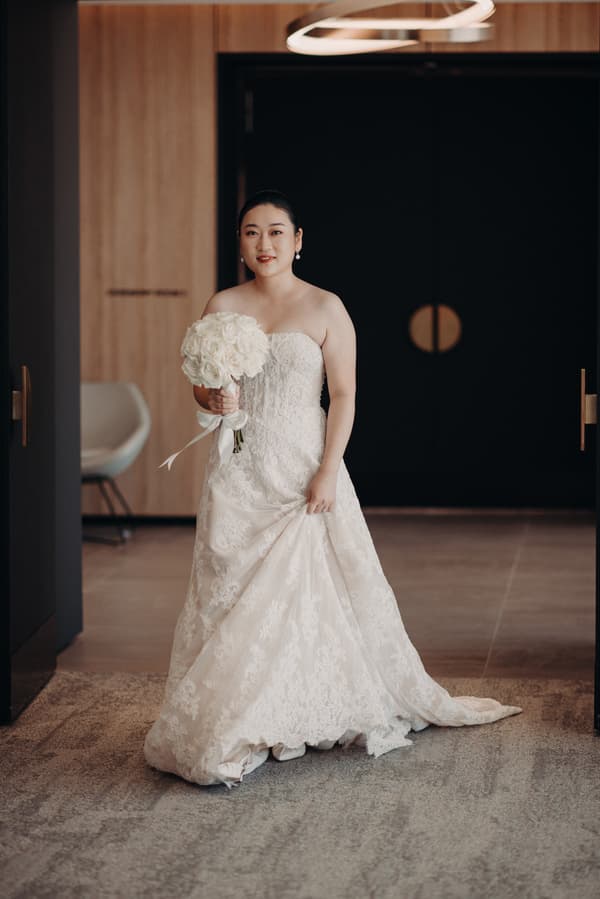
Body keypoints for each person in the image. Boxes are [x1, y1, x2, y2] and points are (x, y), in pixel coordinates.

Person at [143, 188, 522, 789]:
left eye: (275, 232)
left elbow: (342, 396)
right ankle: (239, 710)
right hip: (240, 469)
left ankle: (285, 709)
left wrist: (327, 469)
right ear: (240, 245)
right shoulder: (224, 303)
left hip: (301, 464)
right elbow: (204, 384)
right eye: (250, 233)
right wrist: (211, 397)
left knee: (304, 589)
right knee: (231, 589)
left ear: (297, 241)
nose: (262, 243)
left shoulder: (326, 307)